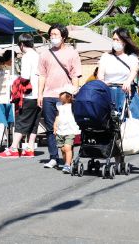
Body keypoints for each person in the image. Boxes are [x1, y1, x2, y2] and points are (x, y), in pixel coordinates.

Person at [97, 27, 139, 152]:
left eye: (118, 39)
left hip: (125, 91)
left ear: (125, 41)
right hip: (108, 91)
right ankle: (109, 149)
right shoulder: (106, 56)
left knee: (136, 120)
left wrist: (128, 81)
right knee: (108, 123)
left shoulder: (131, 57)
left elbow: (134, 71)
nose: (115, 42)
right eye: (114, 39)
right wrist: (102, 83)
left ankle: (134, 145)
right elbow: (100, 74)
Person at [38, 24, 81, 169]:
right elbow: (42, 76)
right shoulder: (44, 54)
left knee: (67, 127)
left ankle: (68, 157)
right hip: (48, 95)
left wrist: (74, 92)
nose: (53, 37)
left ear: (63, 37)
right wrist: (40, 94)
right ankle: (53, 157)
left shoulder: (72, 53)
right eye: (51, 35)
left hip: (65, 96)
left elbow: (75, 75)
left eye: (56, 35)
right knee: (51, 128)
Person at [0, 34, 40, 158]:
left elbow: (25, 77)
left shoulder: (26, 57)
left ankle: (14, 148)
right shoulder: (38, 56)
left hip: (29, 94)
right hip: (40, 94)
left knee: (21, 121)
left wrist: (16, 81)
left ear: (21, 45)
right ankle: (30, 148)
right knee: (34, 122)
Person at [54, 90, 80, 174]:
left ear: (69, 97)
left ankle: (67, 165)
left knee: (67, 148)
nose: (60, 96)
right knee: (62, 149)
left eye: (62, 95)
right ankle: (67, 162)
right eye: (60, 94)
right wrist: (55, 125)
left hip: (70, 130)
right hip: (60, 130)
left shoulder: (73, 105)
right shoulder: (59, 105)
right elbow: (57, 116)